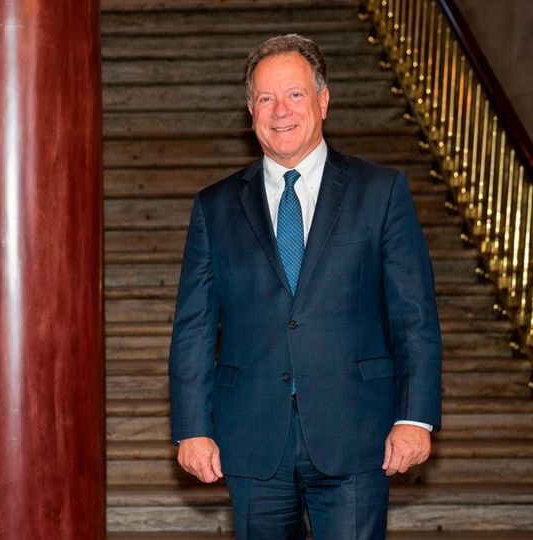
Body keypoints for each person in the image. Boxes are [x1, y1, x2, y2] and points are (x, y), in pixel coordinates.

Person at [168, 34, 442, 539]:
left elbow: (414, 316)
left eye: (294, 94)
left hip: (358, 434)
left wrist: (416, 417)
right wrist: (191, 427)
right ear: (250, 111)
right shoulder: (215, 206)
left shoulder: (380, 192)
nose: (280, 112)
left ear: (323, 100)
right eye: (265, 99)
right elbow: (194, 328)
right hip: (251, 440)